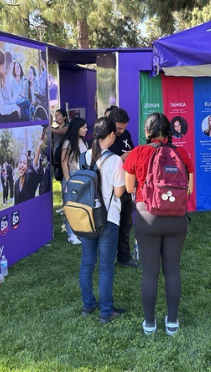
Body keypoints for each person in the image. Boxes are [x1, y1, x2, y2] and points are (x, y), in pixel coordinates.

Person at [122, 113, 193, 335]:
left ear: (147, 132)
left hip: (147, 217)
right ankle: (172, 322)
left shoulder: (137, 153)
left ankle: (150, 323)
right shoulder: (180, 153)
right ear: (169, 132)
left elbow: (128, 189)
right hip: (177, 219)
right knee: (172, 272)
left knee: (150, 273)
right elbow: (189, 189)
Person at [78, 119, 125, 322]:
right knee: (106, 265)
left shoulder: (84, 156)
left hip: (87, 217)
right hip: (108, 218)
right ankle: (106, 312)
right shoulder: (115, 160)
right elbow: (119, 191)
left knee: (87, 262)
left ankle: (88, 304)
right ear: (112, 135)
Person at [108, 106, 139, 269]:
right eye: (119, 128)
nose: (121, 131)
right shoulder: (104, 138)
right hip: (111, 189)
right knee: (112, 226)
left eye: (123, 128)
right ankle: (107, 257)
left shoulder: (126, 134)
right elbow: (104, 163)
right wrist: (122, 158)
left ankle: (124, 257)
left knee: (126, 224)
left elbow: (132, 153)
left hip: (127, 186)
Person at [58, 116, 86, 244]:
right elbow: (64, 163)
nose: (86, 129)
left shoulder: (82, 141)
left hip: (82, 176)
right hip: (72, 176)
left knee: (80, 205)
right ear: (77, 129)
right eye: (83, 127)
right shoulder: (68, 143)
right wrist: (68, 181)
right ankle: (71, 234)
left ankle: (77, 231)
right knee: (70, 205)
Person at [0, 49, 23, 123]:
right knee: (15, 114)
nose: (5, 69)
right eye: (5, 66)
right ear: (1, 65)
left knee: (18, 109)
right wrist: (15, 108)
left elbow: (2, 100)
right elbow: (2, 109)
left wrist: (15, 106)